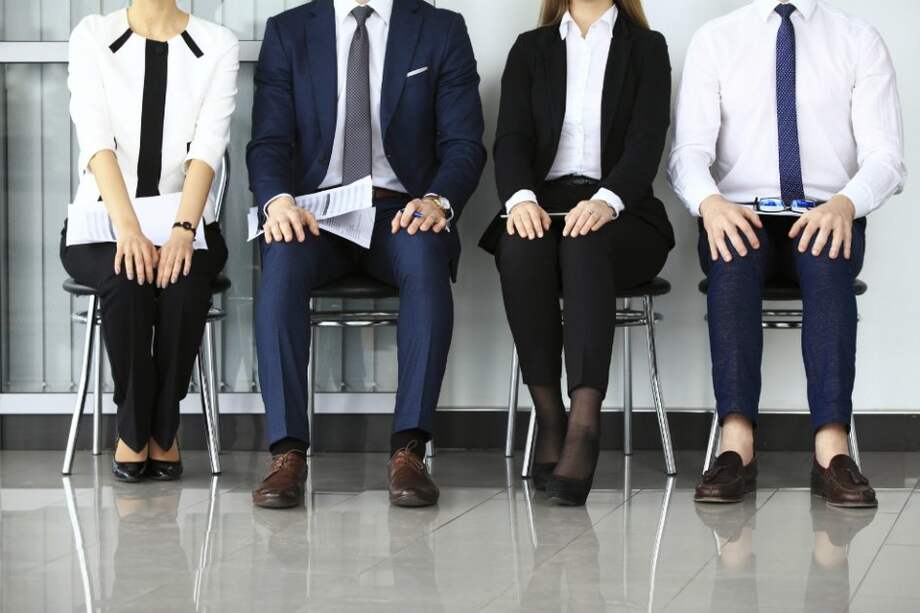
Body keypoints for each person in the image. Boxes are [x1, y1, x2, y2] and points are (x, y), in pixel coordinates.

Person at [247, 0, 486, 509]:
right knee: (281, 259)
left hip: (399, 210)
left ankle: (410, 449)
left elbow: (464, 143)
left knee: (425, 258)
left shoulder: (440, 29)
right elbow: (267, 142)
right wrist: (279, 202)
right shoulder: (289, 32)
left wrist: (436, 201)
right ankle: (287, 455)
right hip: (316, 212)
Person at [669, 0, 906, 507]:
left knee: (827, 267)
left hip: (825, 211)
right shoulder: (716, 38)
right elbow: (688, 152)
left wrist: (846, 204)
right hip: (739, 210)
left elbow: (886, 156)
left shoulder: (858, 39)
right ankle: (736, 444)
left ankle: (832, 450)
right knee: (731, 265)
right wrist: (709, 204)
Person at [480, 0, 674, 506]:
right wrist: (520, 200)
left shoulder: (647, 48)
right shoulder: (532, 48)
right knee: (520, 248)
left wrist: (607, 200)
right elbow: (511, 139)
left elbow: (647, 141)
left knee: (586, 241)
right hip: (544, 204)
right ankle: (550, 417)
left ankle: (585, 424)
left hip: (625, 211)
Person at [61, 1, 238, 481]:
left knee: (183, 284)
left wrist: (183, 230)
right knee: (128, 277)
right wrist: (129, 229)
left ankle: (164, 427)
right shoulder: (92, 35)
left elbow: (208, 150)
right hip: (104, 224)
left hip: (186, 222)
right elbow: (95, 141)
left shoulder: (218, 44)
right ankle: (135, 430)